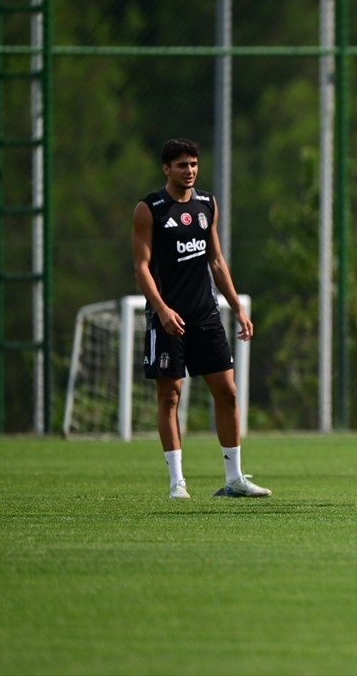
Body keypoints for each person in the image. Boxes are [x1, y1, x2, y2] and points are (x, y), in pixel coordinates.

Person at [131, 138, 271, 500]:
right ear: (166, 169)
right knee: (170, 397)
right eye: (181, 165)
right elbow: (141, 267)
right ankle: (177, 482)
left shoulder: (207, 203)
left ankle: (234, 479)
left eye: (193, 163)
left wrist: (237, 307)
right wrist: (161, 309)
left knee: (227, 393)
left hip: (205, 314)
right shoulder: (150, 209)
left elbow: (216, 260)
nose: (189, 170)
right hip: (167, 318)